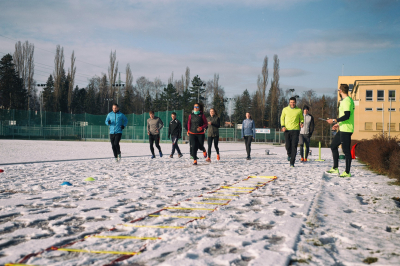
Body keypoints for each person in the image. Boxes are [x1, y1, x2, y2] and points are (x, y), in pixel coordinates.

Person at [326, 84, 355, 177]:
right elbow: (347, 117)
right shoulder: (346, 101)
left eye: (339, 90)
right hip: (342, 128)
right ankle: (335, 168)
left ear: (340, 91)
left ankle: (347, 172)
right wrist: (338, 124)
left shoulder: (347, 101)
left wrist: (334, 120)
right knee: (333, 146)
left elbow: (347, 115)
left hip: (346, 130)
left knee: (346, 151)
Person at [280, 97, 304, 167]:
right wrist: (283, 126)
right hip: (287, 130)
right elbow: (282, 118)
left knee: (294, 146)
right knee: (288, 145)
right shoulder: (285, 109)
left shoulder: (299, 110)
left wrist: (302, 122)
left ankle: (292, 162)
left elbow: (301, 118)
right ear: (289, 102)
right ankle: (289, 154)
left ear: (295, 103)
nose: (292, 103)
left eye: (293, 102)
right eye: (291, 102)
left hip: (295, 130)